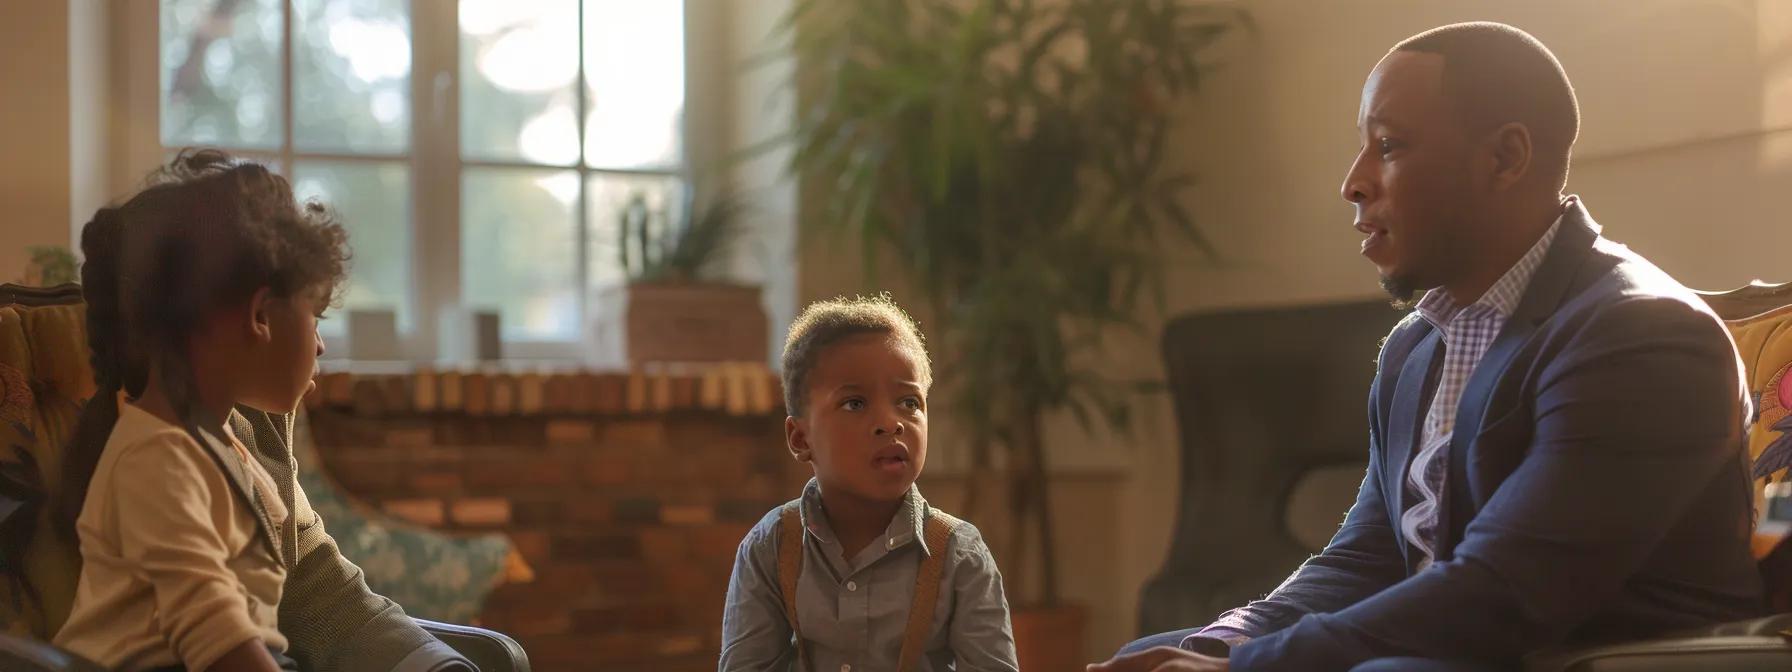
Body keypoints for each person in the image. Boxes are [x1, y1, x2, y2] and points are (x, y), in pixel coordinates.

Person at [1094, 22, 1763, 672]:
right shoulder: (1416, 347)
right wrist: (1221, 646)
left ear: (1506, 157)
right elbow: (1367, 559)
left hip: (1588, 657)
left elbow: (1505, 593)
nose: (1353, 182)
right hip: (1460, 649)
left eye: (1388, 146)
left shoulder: (1642, 338)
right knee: (1151, 658)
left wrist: (1249, 670)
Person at [51, 149, 472, 671]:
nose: (320, 345)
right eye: (314, 316)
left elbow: (308, 585)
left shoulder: (234, 444)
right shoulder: (155, 461)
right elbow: (220, 643)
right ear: (259, 316)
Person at [719, 294, 1018, 671]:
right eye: (855, 403)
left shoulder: (960, 556)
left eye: (909, 402)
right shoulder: (770, 549)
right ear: (800, 438)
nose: (891, 422)